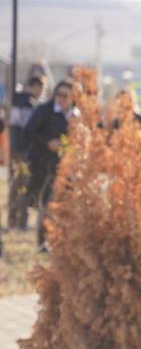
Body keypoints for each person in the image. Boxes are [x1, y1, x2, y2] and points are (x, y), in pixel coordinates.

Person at [24, 79, 75, 249]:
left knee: (66, 205)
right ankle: (42, 242)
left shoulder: (75, 115)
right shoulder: (44, 111)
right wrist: (48, 143)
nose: (61, 98)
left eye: (65, 95)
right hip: (43, 164)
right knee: (46, 205)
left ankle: (63, 242)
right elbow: (29, 131)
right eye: (59, 94)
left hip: (66, 166)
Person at [7, 75, 48, 229]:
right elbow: (24, 130)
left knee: (16, 185)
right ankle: (20, 221)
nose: (42, 92)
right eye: (41, 88)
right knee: (23, 185)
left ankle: (13, 220)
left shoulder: (19, 102)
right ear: (35, 86)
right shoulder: (26, 104)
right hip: (23, 151)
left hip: (18, 150)